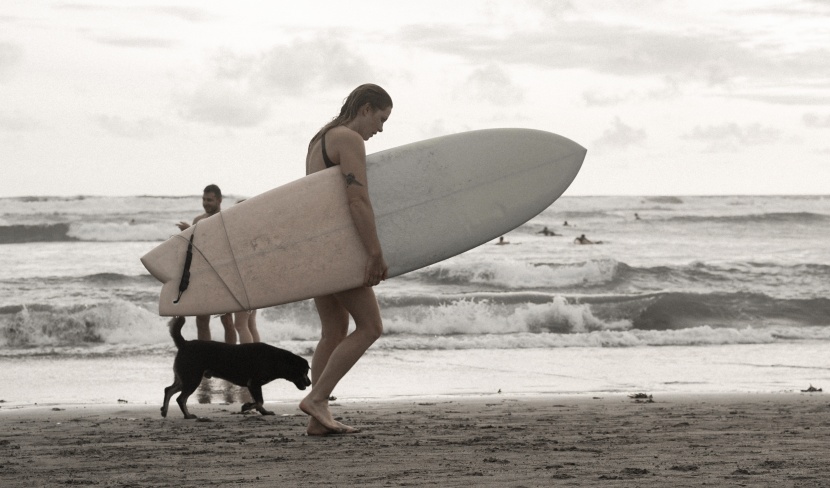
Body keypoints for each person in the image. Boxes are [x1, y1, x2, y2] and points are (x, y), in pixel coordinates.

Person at [299, 84, 392, 435]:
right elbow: (356, 199)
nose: (380, 129)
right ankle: (317, 399)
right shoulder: (350, 140)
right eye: (381, 119)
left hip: (316, 246)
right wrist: (374, 251)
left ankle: (316, 421)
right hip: (338, 247)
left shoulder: (319, 139)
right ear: (366, 109)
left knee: (334, 331)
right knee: (370, 327)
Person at [176, 184, 235, 343]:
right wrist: (186, 235)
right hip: (202, 275)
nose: (206, 203)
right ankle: (206, 356)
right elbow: (194, 250)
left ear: (219, 200)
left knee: (227, 320)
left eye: (210, 200)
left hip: (222, 275)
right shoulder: (198, 220)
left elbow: (219, 247)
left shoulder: (225, 218)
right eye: (204, 199)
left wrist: (190, 230)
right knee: (201, 319)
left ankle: (231, 359)